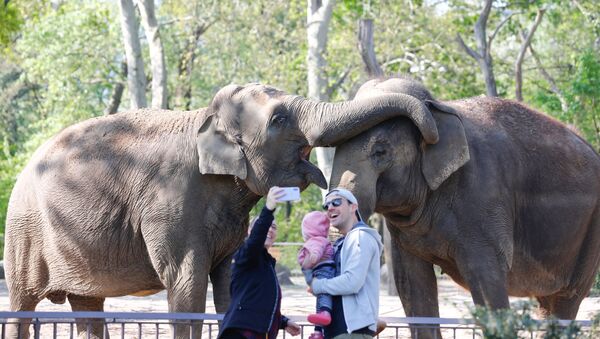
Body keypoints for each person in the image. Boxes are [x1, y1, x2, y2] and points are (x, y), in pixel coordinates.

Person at [218, 186, 301, 339]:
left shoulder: (266, 263)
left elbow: (259, 303)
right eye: (266, 226)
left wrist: (283, 322)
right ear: (250, 230)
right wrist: (268, 209)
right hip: (240, 333)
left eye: (274, 227)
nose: (270, 229)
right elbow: (256, 238)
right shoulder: (246, 254)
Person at [310, 188, 384, 339]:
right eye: (327, 205)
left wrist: (318, 285)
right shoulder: (342, 242)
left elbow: (352, 282)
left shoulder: (360, 237)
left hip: (350, 332)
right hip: (341, 332)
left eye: (336, 202)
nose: (330, 207)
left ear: (353, 207)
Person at [297, 211, 336, 338]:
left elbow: (316, 249)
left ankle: (325, 313)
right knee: (320, 303)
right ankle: (318, 331)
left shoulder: (316, 240)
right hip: (320, 271)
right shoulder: (320, 239)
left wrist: (313, 256)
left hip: (323, 270)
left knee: (323, 296)